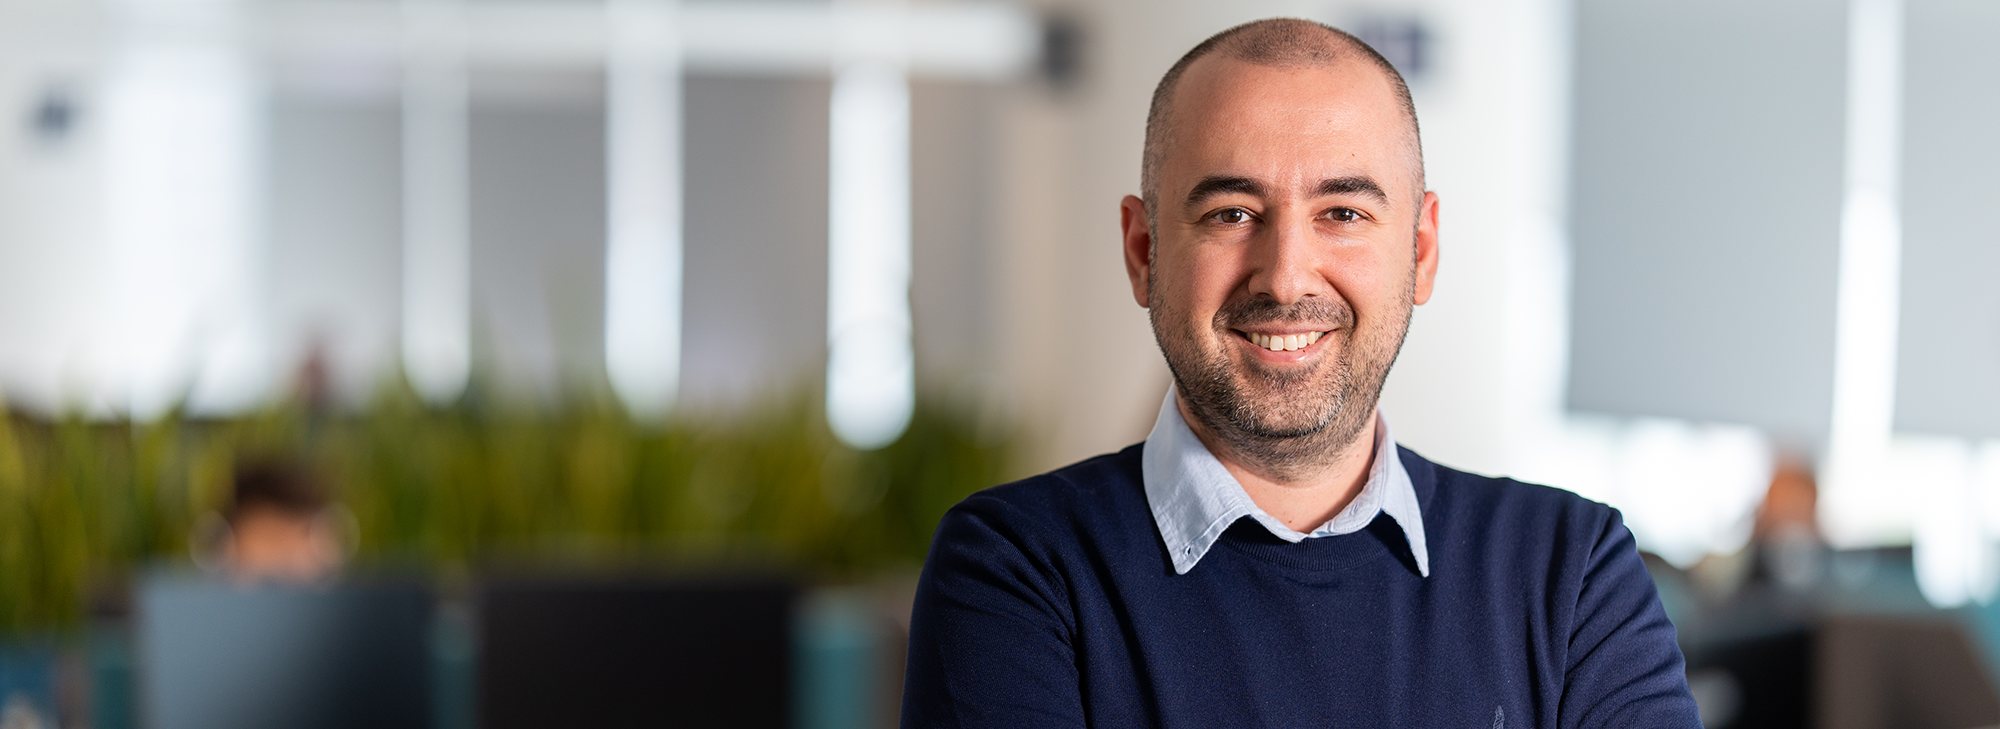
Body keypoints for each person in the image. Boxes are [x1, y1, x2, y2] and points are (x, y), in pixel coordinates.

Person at [901, 18, 1700, 727]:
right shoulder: (1017, 568)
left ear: (1420, 251)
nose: (1285, 277)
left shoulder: (1571, 572)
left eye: (1342, 213)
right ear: (1143, 251)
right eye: (1232, 214)